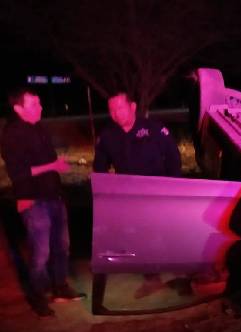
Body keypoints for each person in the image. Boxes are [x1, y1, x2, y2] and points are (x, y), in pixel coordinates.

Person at [1, 88, 86, 317]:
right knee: (41, 252)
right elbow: (19, 173)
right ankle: (37, 295)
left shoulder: (39, 128)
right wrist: (53, 166)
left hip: (54, 196)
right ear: (18, 109)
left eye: (39, 103)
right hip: (33, 200)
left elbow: (48, 162)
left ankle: (60, 287)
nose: (40, 107)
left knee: (62, 246)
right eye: (34, 104)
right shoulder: (12, 134)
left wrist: (57, 167)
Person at [93, 91, 181, 298]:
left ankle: (183, 277)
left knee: (171, 234)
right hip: (130, 197)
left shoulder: (153, 128)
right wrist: (106, 189)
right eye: (112, 110)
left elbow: (173, 157)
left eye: (120, 108)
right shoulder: (107, 136)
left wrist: (174, 187)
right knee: (141, 238)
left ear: (132, 107)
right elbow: (100, 167)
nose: (116, 114)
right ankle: (152, 279)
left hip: (159, 193)